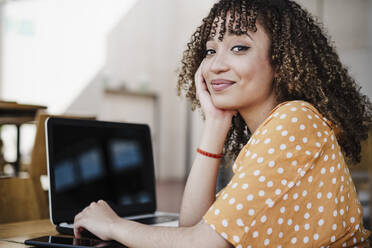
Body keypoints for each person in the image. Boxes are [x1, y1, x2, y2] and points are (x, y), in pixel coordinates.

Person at [73, 0, 372, 247]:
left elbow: (201, 243)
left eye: (239, 47)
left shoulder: (295, 120)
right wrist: (215, 124)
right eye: (211, 50)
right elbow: (193, 226)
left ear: (280, 62)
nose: (215, 65)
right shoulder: (273, 130)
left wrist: (114, 225)